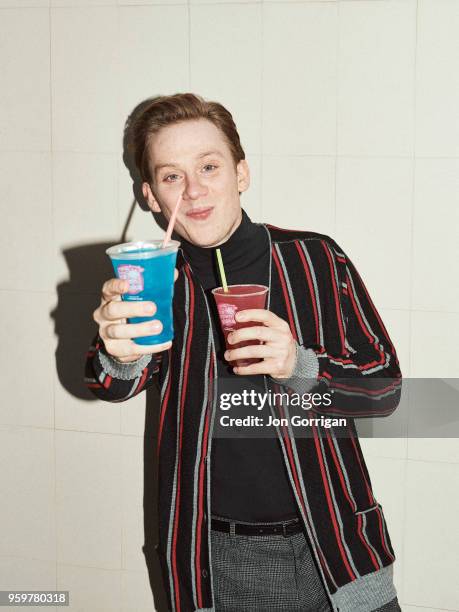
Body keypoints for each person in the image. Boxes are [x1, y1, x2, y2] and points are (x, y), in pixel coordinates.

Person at [85, 93, 403, 612]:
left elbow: (386, 392)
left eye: (209, 166)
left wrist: (299, 367)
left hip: (339, 550)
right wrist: (120, 352)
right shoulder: (151, 288)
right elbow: (111, 386)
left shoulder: (316, 259)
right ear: (149, 196)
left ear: (241, 173)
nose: (193, 189)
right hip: (215, 562)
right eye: (171, 176)